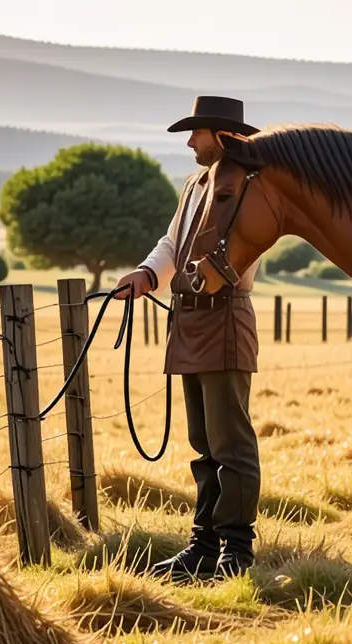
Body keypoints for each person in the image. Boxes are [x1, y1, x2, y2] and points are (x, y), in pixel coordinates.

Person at [115, 96, 263, 583]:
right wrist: (145, 274)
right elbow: (173, 243)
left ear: (220, 136)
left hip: (224, 318)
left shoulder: (246, 186)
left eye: (196, 132)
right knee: (203, 442)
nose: (189, 141)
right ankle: (204, 545)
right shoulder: (195, 185)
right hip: (190, 320)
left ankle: (235, 552)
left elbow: (245, 248)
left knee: (230, 444)